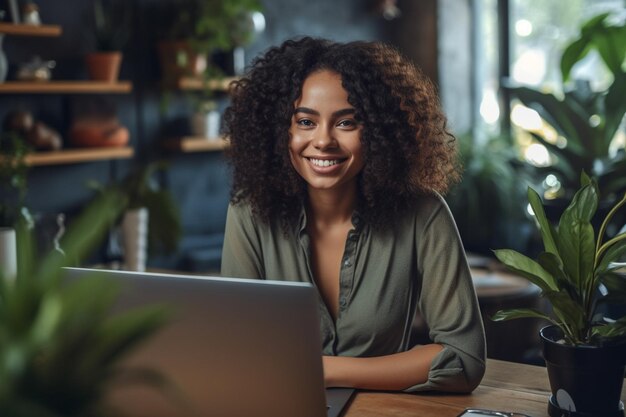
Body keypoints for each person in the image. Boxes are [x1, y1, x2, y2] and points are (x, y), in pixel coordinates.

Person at [221, 37, 486, 393]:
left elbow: (463, 358)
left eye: (346, 123)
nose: (324, 141)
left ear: (380, 131)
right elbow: (235, 351)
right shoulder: (250, 213)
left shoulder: (424, 214)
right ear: (279, 130)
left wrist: (322, 371)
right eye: (305, 121)